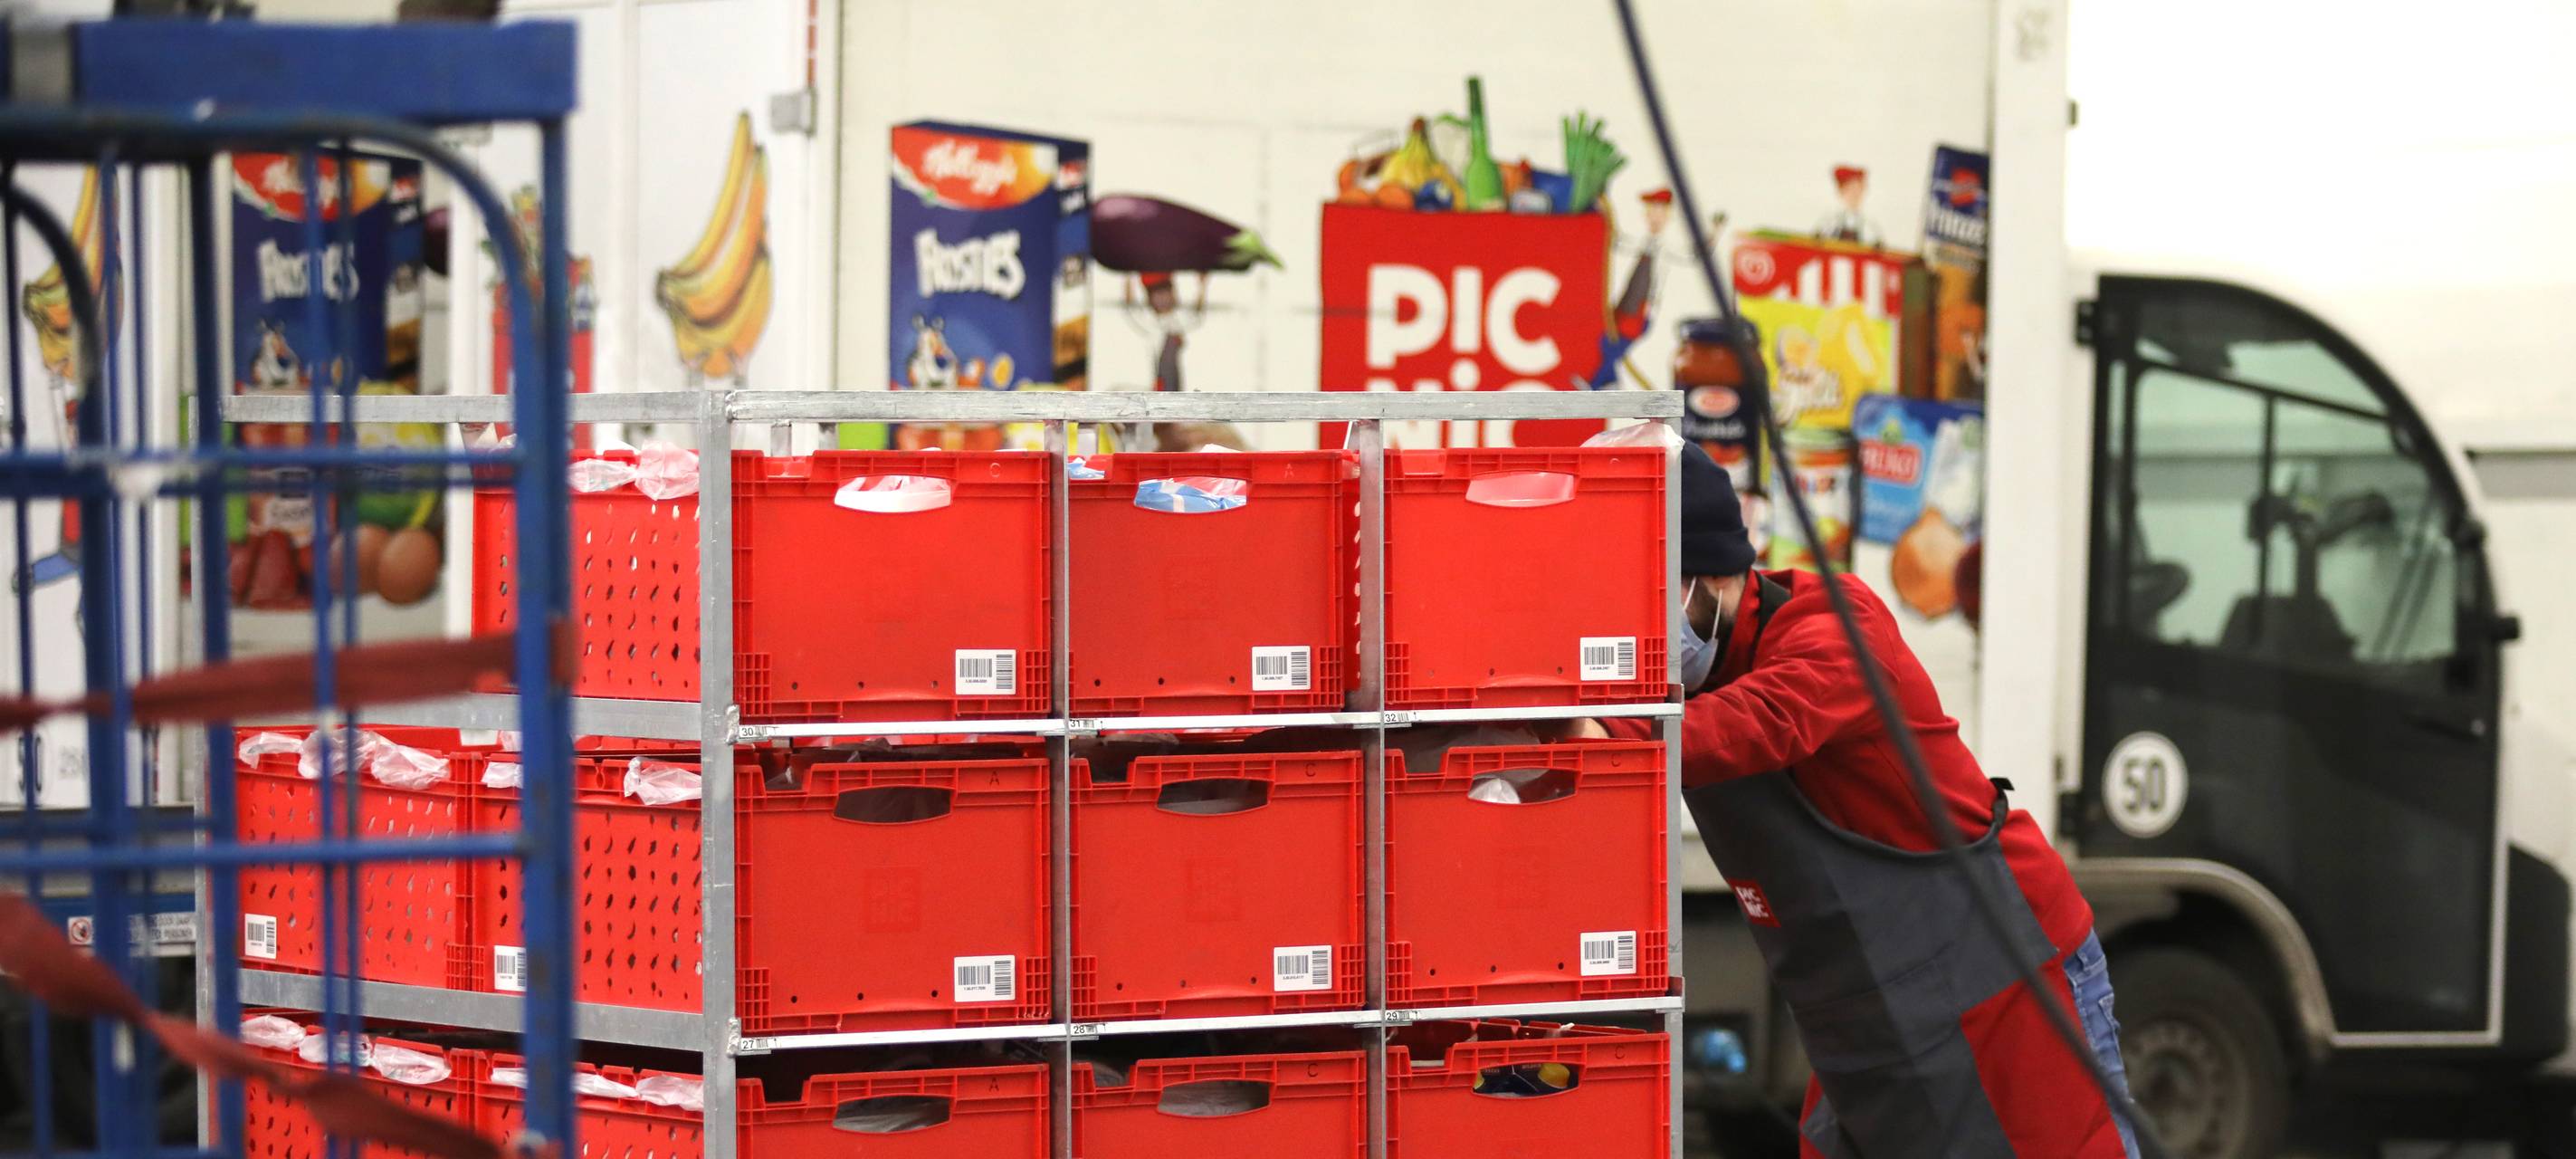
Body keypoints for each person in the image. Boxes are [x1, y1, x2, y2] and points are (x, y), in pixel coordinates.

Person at [1577, 442, 2141, 1158]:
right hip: (1867, 1013)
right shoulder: (1684, 681)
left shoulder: (1837, 627)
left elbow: (1762, 719)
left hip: (2004, 971)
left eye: (1646, 599)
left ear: (1714, 578)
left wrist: (1602, 734)